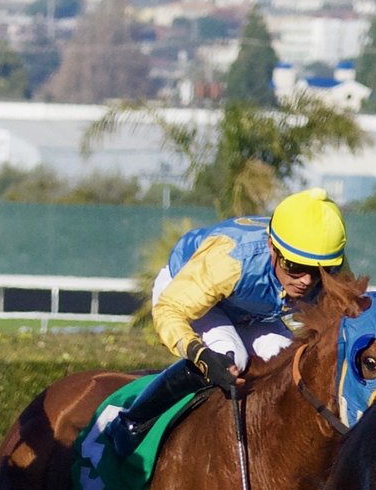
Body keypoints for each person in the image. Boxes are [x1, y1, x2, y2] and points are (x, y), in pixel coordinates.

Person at [99, 188, 349, 455]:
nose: (306, 281)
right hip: (185, 293)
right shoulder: (230, 260)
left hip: (253, 312)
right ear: (271, 248)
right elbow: (169, 310)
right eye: (294, 266)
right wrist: (200, 354)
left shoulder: (331, 266)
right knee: (229, 358)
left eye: (319, 271)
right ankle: (132, 421)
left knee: (289, 364)